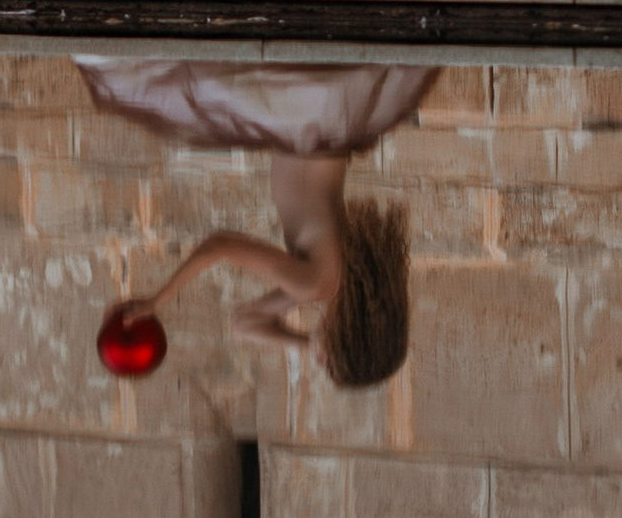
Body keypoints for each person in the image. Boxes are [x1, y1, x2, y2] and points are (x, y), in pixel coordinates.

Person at [103, 153, 413, 388]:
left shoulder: (333, 282)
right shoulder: (315, 285)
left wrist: (306, 343)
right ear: (349, 339)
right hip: (302, 120)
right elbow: (219, 245)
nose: (319, 360)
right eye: (329, 362)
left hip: (315, 123)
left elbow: (243, 324)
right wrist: (158, 300)